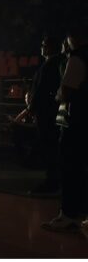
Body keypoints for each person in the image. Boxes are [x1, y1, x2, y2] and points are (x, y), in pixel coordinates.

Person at [42, 24, 88, 232]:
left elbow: (66, 91)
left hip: (75, 121)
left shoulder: (77, 58)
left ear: (73, 38)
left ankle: (69, 214)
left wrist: (59, 94)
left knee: (70, 168)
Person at [17, 36, 64, 195]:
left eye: (44, 45)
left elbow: (42, 89)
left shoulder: (51, 64)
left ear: (50, 47)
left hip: (46, 112)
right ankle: (53, 179)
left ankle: (52, 181)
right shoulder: (53, 63)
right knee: (49, 146)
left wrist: (31, 107)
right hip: (47, 110)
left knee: (49, 146)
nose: (41, 47)